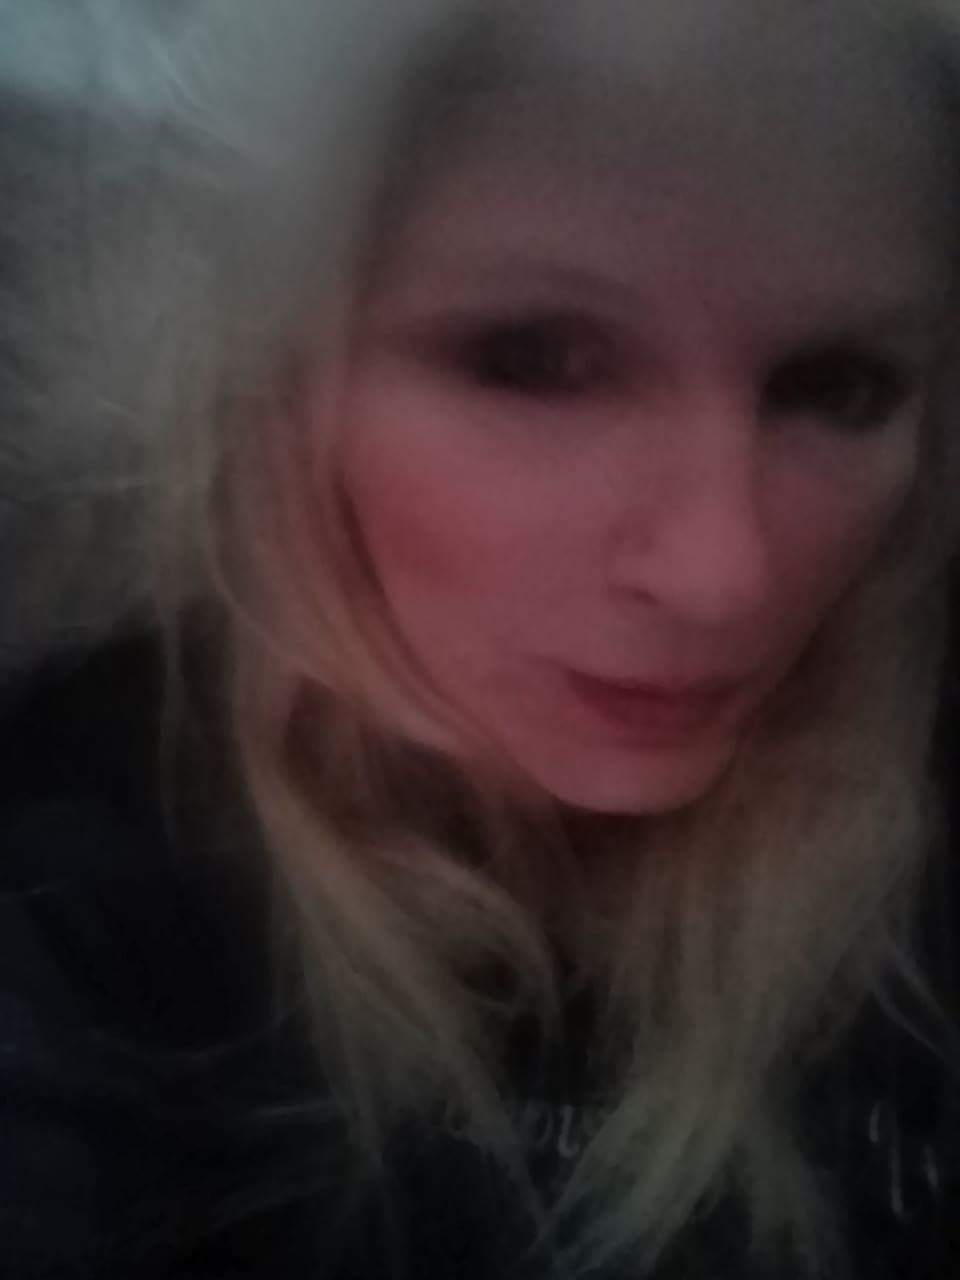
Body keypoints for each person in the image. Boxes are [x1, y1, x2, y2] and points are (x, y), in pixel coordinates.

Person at [1, 0, 959, 1276]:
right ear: (280, 382)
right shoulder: (76, 879)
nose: (726, 576)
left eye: (839, 384)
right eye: (535, 358)